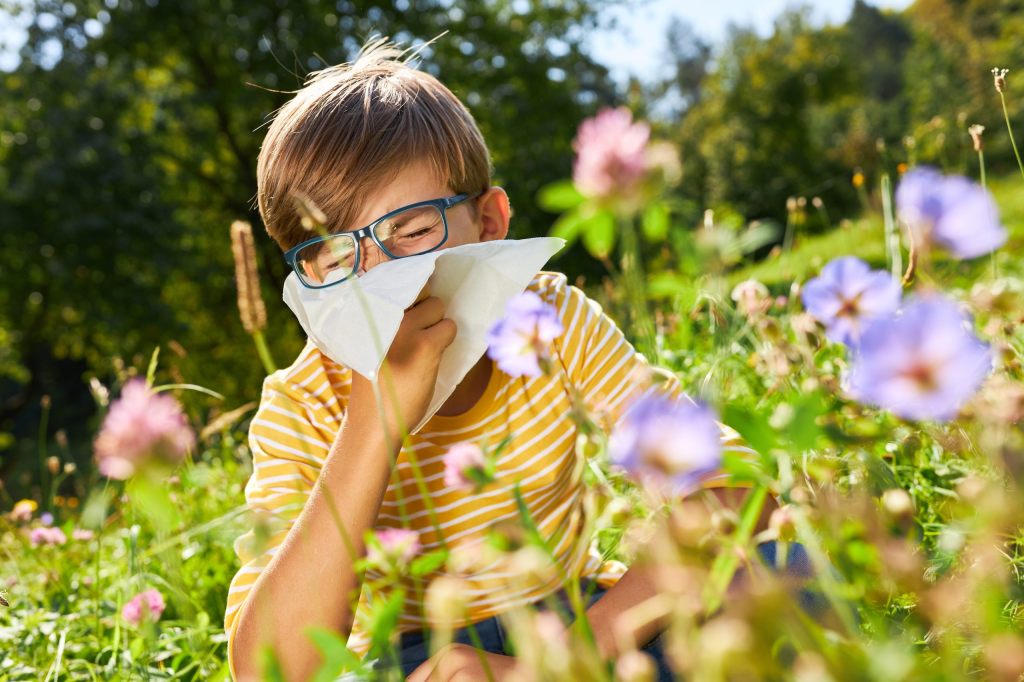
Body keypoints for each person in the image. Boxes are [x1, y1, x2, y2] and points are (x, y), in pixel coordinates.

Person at [224, 37, 761, 681]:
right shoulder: (304, 401)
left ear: (488, 223)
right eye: (336, 257)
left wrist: (554, 665)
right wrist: (373, 424)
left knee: (777, 571)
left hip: (579, 623)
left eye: (413, 231)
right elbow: (268, 669)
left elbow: (733, 491)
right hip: (421, 658)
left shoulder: (547, 321)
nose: (380, 280)